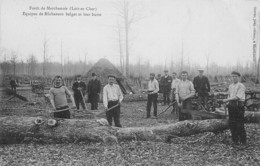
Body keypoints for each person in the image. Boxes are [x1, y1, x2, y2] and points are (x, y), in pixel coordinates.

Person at [223, 71, 246, 145]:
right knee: (232, 123)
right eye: (232, 76)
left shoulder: (241, 86)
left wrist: (227, 100)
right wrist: (227, 102)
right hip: (231, 106)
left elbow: (237, 97)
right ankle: (235, 140)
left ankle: (243, 141)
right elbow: (229, 96)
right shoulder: (230, 86)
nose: (234, 78)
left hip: (239, 106)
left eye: (235, 76)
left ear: (238, 77)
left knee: (239, 124)